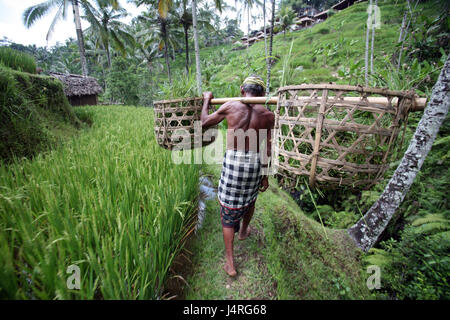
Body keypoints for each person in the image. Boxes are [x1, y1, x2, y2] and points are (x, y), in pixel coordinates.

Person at [201, 75, 275, 277]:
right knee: (250, 199)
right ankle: (243, 231)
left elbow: (204, 122)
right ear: (263, 95)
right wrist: (265, 174)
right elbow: (268, 147)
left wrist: (207, 99)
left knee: (228, 211)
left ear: (242, 90)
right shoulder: (269, 115)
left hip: (234, 163)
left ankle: (230, 264)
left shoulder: (231, 105)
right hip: (254, 164)